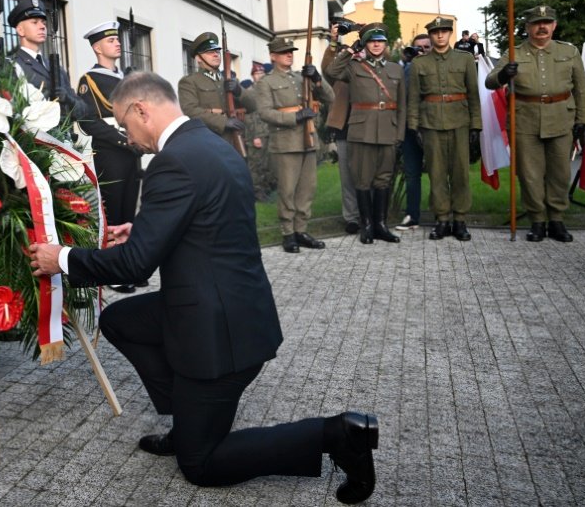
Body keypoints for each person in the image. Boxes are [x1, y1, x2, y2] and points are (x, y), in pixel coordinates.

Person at [27, 72, 378, 503]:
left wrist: (59, 258)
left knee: (201, 465)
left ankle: (338, 433)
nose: (128, 137)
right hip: (234, 310)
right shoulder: (209, 145)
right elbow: (209, 218)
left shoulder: (171, 162)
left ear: (142, 110)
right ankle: (189, 416)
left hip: (219, 337)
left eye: (124, 124)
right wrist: (143, 228)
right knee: (121, 319)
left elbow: (136, 263)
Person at [485, 6, 585, 242]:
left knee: (560, 173)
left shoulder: (569, 52)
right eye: (536, 22)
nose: (542, 26)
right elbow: (491, 81)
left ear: (554, 25)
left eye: (547, 22)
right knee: (529, 174)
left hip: (561, 118)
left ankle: (557, 220)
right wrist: (503, 75)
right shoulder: (514, 53)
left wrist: (583, 119)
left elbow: (581, 89)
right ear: (527, 27)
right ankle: (538, 221)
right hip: (524, 120)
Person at [76, 21, 142, 293]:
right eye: (110, 40)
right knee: (112, 213)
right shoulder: (89, 80)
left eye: (117, 39)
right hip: (111, 152)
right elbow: (87, 120)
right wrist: (121, 139)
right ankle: (114, 271)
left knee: (129, 211)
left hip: (132, 150)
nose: (117, 43)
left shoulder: (126, 78)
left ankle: (129, 266)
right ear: (97, 47)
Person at [326, 23, 405, 244]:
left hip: (388, 129)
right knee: (362, 179)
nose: (376, 45)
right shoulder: (353, 67)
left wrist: (399, 133)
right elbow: (331, 71)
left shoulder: (395, 69)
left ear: (385, 44)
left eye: (380, 41)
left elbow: (403, 105)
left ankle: (380, 225)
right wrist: (351, 49)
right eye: (371, 41)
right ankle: (367, 225)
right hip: (361, 130)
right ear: (365, 44)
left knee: (383, 179)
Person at [255, 38, 334, 253]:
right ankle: (288, 233)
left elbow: (330, 97)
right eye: (283, 52)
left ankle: (301, 230)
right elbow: (264, 112)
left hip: (307, 139)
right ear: (273, 56)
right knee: (287, 190)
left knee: (307, 189)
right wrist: (295, 117)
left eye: (291, 51)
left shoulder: (301, 78)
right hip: (285, 142)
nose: (289, 54)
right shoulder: (266, 83)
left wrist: (317, 78)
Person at [408, 17, 481, 241]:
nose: (440, 35)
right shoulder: (419, 64)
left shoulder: (465, 59)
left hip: (459, 121)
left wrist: (476, 124)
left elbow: (473, 94)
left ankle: (459, 220)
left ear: (450, 34)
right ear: (430, 35)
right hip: (430, 124)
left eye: (444, 31)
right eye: (435, 32)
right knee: (437, 174)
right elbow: (414, 98)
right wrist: (414, 126)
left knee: (460, 174)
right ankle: (442, 220)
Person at [6, 0, 87, 121]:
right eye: (34, 22)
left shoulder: (55, 67)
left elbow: (83, 112)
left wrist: (67, 99)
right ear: (20, 30)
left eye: (44, 23)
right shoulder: (13, 65)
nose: (42, 27)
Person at [322, 25, 361, 235]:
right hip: (345, 128)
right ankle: (351, 217)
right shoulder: (338, 71)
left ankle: (369, 213)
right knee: (347, 177)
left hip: (366, 127)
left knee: (367, 175)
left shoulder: (366, 66)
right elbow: (327, 68)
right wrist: (334, 41)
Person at [177, 32, 245, 146]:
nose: (216, 55)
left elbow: (254, 105)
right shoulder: (189, 82)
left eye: (217, 52)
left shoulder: (228, 80)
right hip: (208, 140)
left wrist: (239, 91)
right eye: (210, 52)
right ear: (198, 58)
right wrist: (223, 121)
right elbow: (191, 111)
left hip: (232, 140)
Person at [395, 34, 430, 230]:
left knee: (439, 173)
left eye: (426, 47)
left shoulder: (436, 68)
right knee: (411, 174)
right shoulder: (405, 69)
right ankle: (412, 215)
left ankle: (443, 216)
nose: (422, 50)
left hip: (433, 127)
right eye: (418, 47)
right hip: (411, 128)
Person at [240, 62, 273, 201]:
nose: (259, 76)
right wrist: (254, 137)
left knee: (267, 164)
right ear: (252, 76)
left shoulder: (266, 90)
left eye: (261, 73)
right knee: (255, 165)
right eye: (257, 74)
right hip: (256, 134)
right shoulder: (249, 93)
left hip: (268, 131)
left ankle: (265, 189)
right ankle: (256, 191)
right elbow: (248, 117)